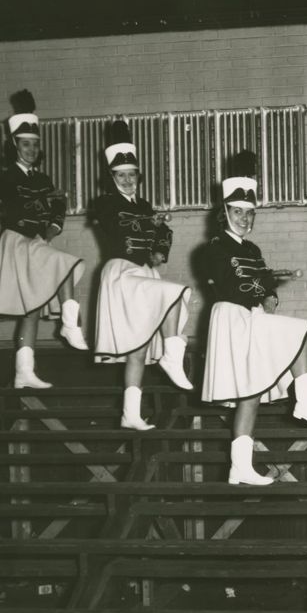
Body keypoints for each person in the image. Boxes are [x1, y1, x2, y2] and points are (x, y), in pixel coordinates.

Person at [201, 150, 307, 486]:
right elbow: (231, 284)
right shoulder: (214, 246)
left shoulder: (253, 250)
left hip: (252, 315)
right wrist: (266, 284)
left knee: (250, 395)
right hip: (232, 317)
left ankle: (240, 467)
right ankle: (304, 401)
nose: (245, 219)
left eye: (249, 213)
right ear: (225, 213)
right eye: (238, 212)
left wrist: (271, 292)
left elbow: (265, 287)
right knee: (299, 332)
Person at [90, 119, 194, 430]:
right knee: (174, 294)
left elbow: (163, 232)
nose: (127, 180)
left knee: (138, 347)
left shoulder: (145, 204)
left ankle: (130, 414)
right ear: (112, 178)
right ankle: (173, 357)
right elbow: (118, 225)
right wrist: (151, 220)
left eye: (131, 175)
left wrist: (160, 247)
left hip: (144, 273)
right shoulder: (105, 203)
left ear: (138, 176)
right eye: (121, 176)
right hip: (121, 273)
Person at [0, 89, 87, 389]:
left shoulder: (44, 179)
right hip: (17, 240)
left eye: (34, 145)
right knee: (67, 264)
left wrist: (51, 227)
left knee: (32, 307)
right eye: (25, 144)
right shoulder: (5, 177)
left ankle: (24, 372)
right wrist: (49, 199)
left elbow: (57, 211)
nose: (31, 149)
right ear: (14, 146)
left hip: (37, 241)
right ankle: (70, 324)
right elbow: (18, 207)